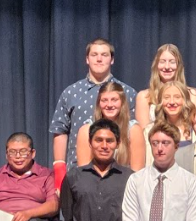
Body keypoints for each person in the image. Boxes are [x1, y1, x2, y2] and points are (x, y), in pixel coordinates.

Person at [50, 38, 137, 190]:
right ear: (87, 59)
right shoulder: (71, 93)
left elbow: (135, 134)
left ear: (112, 60)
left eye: (104, 55)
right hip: (79, 172)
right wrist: (59, 171)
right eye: (94, 54)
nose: (99, 59)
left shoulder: (127, 93)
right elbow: (60, 131)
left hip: (119, 176)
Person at [76, 82, 145, 170]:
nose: (109, 105)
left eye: (114, 100)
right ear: (98, 103)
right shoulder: (86, 131)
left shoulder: (133, 130)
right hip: (94, 182)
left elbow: (137, 174)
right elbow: (84, 172)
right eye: (104, 100)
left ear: (122, 102)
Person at [136, 44, 196, 127]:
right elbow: (143, 132)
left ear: (179, 66)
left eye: (172, 62)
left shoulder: (193, 94)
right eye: (162, 61)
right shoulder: (144, 97)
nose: (167, 66)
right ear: (156, 65)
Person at [143, 81, 196, 166]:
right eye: (167, 97)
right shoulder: (150, 130)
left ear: (185, 100)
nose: (171, 102)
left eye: (177, 97)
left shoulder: (195, 129)